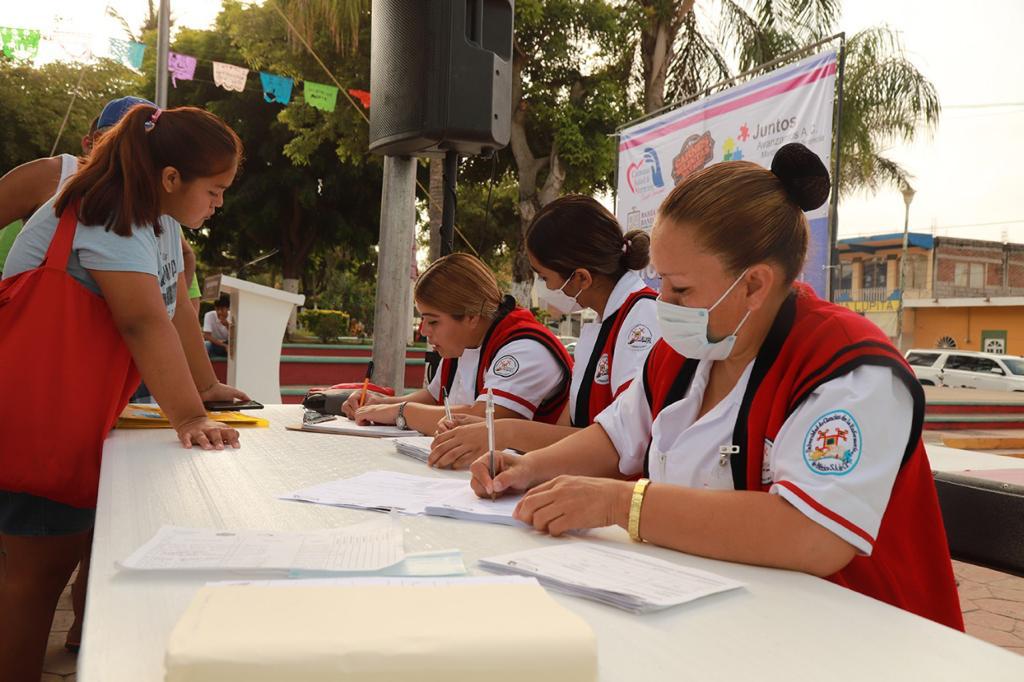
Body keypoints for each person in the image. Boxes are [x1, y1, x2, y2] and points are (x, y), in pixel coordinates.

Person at [469, 143, 964, 631]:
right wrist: (527, 469)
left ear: (754, 285)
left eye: (680, 288)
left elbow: (811, 534)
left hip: (861, 639)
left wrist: (621, 503)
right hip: (731, 621)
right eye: (660, 281)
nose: (663, 300)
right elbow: (617, 437)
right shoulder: (688, 348)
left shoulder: (851, 371)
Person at [0, 103, 250, 682]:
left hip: (73, 420)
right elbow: (142, 321)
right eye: (214, 190)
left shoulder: (159, 223)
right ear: (170, 179)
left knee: (56, 564)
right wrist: (189, 416)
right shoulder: (112, 212)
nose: (218, 203)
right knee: (33, 583)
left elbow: (173, 309)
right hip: (41, 423)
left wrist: (206, 390)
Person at [429, 195, 660, 469]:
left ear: (582, 278)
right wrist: (518, 463)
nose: (545, 288)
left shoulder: (640, 320)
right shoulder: (603, 323)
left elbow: (622, 442)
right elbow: (571, 429)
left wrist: (501, 432)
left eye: (545, 277)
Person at [345, 252, 573, 441]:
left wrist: (399, 411)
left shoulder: (525, 349)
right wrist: (377, 403)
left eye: (433, 321)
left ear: (472, 316)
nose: (423, 330)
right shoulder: (464, 343)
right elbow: (434, 399)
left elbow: (484, 419)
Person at [204, 294, 231, 358]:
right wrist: (224, 345)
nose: (219, 312)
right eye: (217, 309)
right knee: (206, 345)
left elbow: (235, 336)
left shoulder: (232, 315)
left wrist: (227, 326)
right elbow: (207, 336)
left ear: (228, 308)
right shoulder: (209, 315)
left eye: (222, 309)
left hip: (229, 343)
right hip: (215, 343)